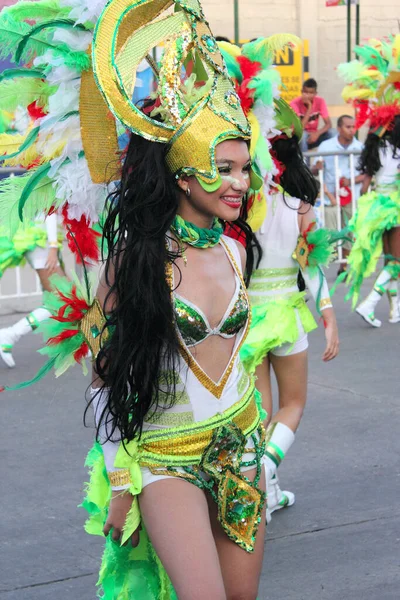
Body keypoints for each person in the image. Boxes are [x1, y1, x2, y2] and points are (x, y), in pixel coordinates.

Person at [0, 5, 296, 598]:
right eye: (225, 168)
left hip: (240, 444)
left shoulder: (238, 255)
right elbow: (104, 375)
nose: (242, 182)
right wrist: (120, 477)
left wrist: (268, 448)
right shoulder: (136, 265)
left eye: (245, 169)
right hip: (164, 457)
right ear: (184, 174)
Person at [240, 102, 340, 517]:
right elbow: (312, 267)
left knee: (261, 414)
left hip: (247, 319)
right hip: (285, 315)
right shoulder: (300, 207)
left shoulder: (238, 206)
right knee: (293, 405)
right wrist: (329, 317)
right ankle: (266, 469)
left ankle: (267, 493)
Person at [338, 35, 400, 326]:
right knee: (397, 262)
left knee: (392, 260)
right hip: (395, 207)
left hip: (378, 204)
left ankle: (393, 309)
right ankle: (370, 301)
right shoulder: (397, 150)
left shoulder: (377, 147)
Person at [0, 212, 64, 368]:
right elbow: (48, 207)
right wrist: (53, 246)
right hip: (41, 241)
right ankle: (10, 335)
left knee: (63, 297)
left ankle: (79, 342)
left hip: (38, 237)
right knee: (61, 299)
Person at [312, 115, 364, 273]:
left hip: (351, 198)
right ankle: (328, 262)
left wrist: (352, 181)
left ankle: (344, 265)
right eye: (348, 127)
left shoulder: (360, 147)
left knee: (349, 229)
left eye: (353, 127)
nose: (352, 130)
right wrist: (317, 167)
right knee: (331, 231)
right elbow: (314, 168)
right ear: (339, 129)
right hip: (330, 199)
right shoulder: (326, 146)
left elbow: (367, 172)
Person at [291, 78, 333, 151]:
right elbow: (299, 129)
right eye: (305, 92)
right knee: (303, 135)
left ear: (315, 94)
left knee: (333, 133)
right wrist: (309, 108)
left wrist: (317, 133)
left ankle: (331, 161)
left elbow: (328, 124)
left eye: (311, 93)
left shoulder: (320, 101)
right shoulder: (294, 104)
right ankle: (304, 162)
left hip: (314, 135)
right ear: (301, 92)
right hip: (298, 138)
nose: (307, 95)